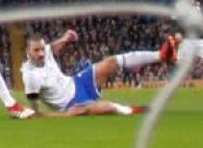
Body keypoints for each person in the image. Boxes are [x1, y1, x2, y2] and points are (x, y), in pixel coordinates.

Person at [21, 29, 160, 117]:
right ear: (28, 52)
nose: (41, 53)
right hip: (72, 104)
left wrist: (64, 39)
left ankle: (161, 55)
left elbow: (51, 47)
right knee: (108, 107)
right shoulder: (31, 76)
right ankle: (136, 111)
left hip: (77, 82)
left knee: (111, 62)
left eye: (41, 49)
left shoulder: (46, 50)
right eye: (36, 50)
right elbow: (38, 114)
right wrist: (67, 115)